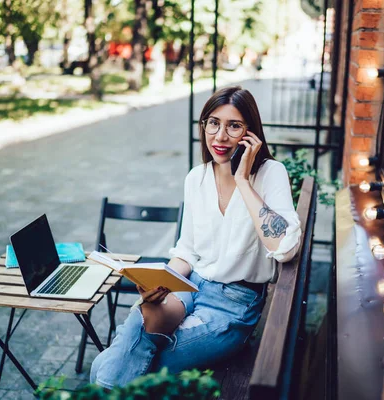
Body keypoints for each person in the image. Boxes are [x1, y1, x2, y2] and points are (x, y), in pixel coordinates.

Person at [90, 86, 302, 388]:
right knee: (139, 321)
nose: (220, 136)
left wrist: (242, 179)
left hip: (232, 305)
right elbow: (187, 251)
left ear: (251, 133)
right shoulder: (197, 178)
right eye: (213, 123)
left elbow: (285, 248)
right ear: (203, 126)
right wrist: (159, 284)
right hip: (190, 287)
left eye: (234, 126)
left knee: (111, 367)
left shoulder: (269, 174)